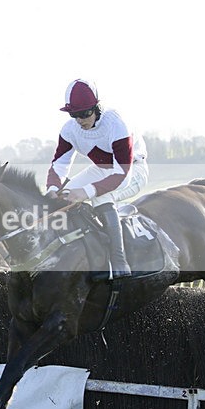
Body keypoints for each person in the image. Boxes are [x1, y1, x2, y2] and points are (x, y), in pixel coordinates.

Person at [45, 79, 149, 279]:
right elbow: (59, 165)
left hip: (132, 171)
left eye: (85, 113)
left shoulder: (117, 125)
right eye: (74, 115)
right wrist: (52, 190)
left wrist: (86, 192)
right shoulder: (69, 130)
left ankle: (119, 262)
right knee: (64, 196)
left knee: (100, 196)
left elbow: (122, 175)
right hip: (102, 170)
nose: (80, 120)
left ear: (97, 108)